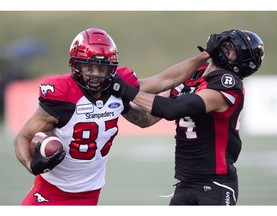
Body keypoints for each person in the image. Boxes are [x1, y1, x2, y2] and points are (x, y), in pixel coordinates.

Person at [14, 28, 224, 205]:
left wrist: (204, 56)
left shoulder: (117, 86)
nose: (96, 74)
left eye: (102, 68)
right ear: (76, 65)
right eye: (89, 66)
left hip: (90, 194)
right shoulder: (63, 93)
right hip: (49, 191)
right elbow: (23, 136)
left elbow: (163, 81)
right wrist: (32, 165)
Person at [110, 29, 265, 205]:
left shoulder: (228, 84)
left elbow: (172, 109)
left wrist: (123, 90)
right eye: (226, 43)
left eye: (232, 48)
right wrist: (121, 103)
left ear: (241, 62)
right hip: (185, 183)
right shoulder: (195, 73)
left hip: (215, 184)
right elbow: (147, 117)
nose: (224, 47)